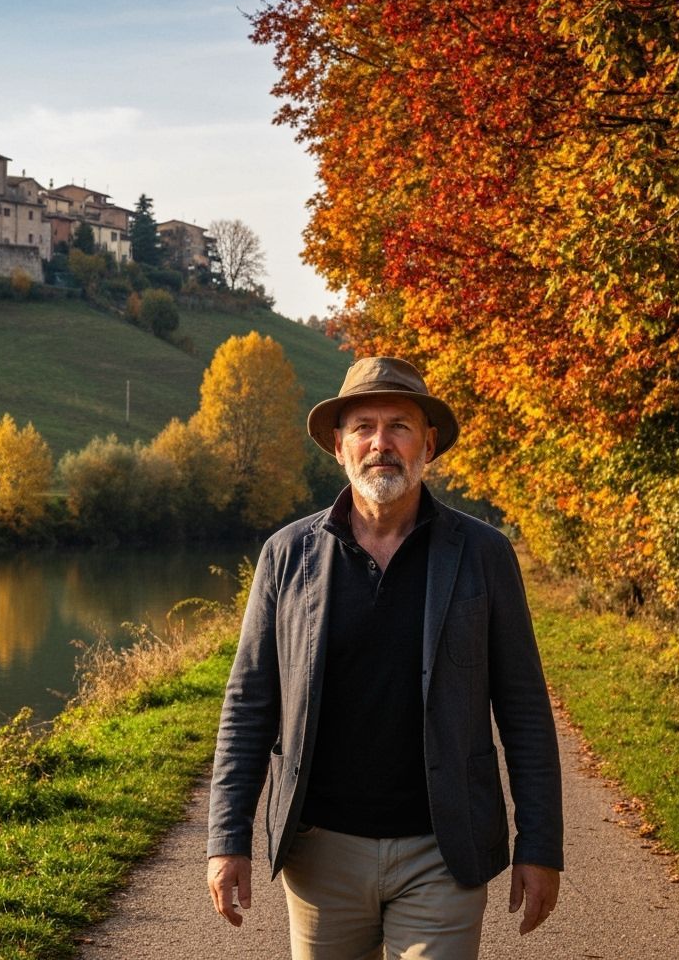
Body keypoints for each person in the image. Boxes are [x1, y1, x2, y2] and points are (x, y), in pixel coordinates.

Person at [206, 356, 563, 960]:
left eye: (399, 425)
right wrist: (227, 837)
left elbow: (525, 708)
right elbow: (249, 705)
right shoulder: (286, 555)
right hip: (320, 852)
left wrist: (540, 845)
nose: (381, 443)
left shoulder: (483, 554)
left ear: (428, 443)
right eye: (364, 426)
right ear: (339, 447)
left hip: (443, 850)